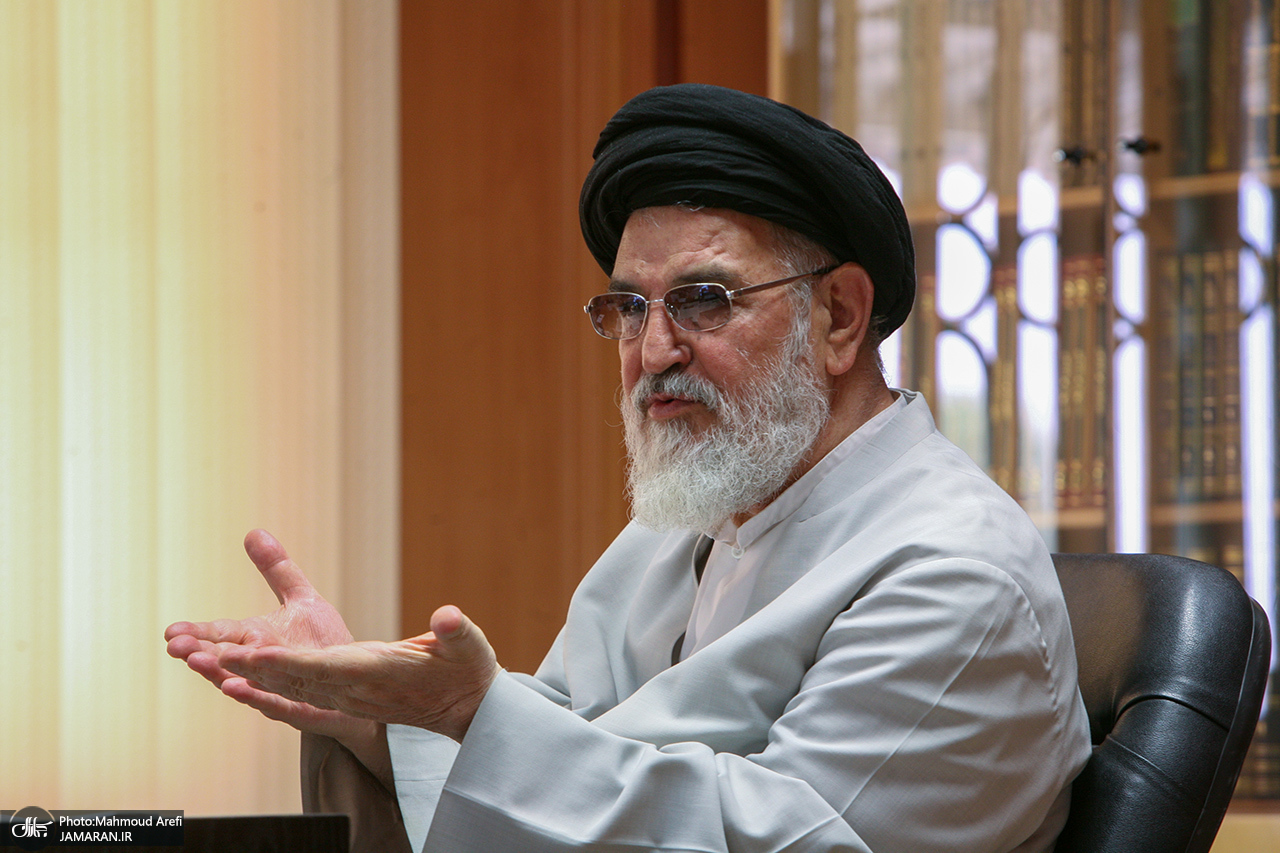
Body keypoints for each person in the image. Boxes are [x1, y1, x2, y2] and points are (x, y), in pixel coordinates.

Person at [166, 84, 1091, 853]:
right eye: (627, 308)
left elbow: (777, 837)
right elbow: (562, 747)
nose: (654, 352)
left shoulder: (951, 575)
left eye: (703, 299)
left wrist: (475, 714)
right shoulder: (681, 526)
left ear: (840, 316)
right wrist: (371, 715)